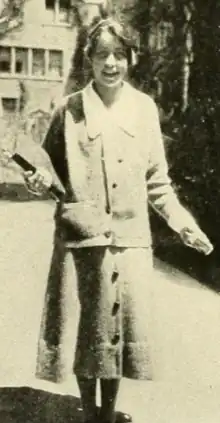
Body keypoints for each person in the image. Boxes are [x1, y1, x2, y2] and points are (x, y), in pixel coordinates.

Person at [23, 17, 213, 423]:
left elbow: (157, 183)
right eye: (101, 55)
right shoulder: (69, 109)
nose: (111, 63)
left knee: (115, 335)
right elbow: (46, 172)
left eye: (119, 55)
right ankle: (90, 412)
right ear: (88, 61)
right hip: (81, 241)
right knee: (85, 333)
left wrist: (183, 224)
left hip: (129, 244)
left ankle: (106, 415)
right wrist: (38, 179)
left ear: (130, 58)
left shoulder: (143, 109)